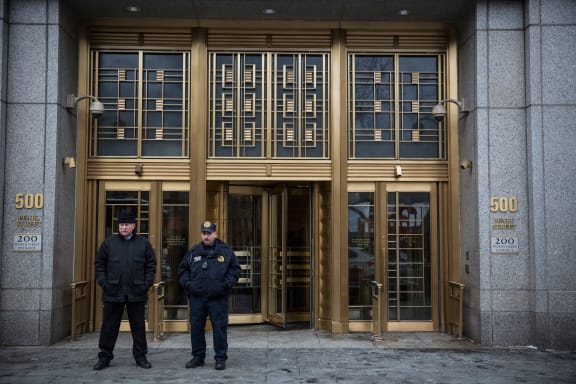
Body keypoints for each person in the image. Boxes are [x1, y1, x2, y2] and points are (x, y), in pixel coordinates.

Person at [93, 210, 157, 370]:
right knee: (109, 327)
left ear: (134, 226)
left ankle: (141, 357)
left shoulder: (143, 243)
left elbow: (151, 266)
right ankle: (104, 357)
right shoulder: (109, 243)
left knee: (138, 328)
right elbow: (99, 265)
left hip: (136, 293)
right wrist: (104, 283)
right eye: (121, 224)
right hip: (113, 292)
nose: (124, 227)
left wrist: (145, 284)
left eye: (127, 224)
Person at [178, 221, 241, 370]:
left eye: (209, 233)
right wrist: (188, 284)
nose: (206, 236)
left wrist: (225, 284)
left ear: (215, 234)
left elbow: (235, 270)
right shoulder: (193, 252)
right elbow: (182, 271)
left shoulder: (225, 252)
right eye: (204, 233)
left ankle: (220, 358)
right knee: (196, 328)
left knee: (219, 328)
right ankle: (198, 357)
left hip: (217, 297)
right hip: (197, 297)